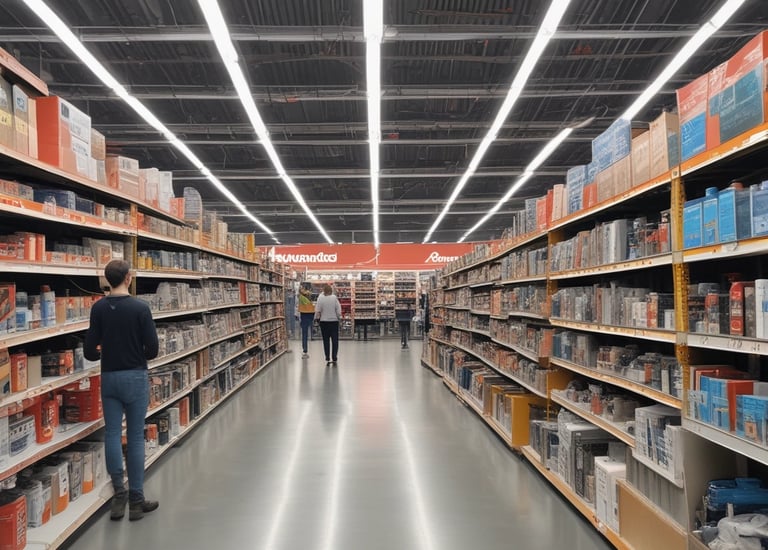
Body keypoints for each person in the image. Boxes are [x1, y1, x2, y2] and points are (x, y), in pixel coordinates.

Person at [84, 260, 160, 522]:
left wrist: (106, 352)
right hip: (135, 376)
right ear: (128, 278)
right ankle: (136, 501)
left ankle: (119, 495)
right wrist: (136, 353)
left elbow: (89, 351)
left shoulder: (98, 308)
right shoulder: (140, 308)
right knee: (136, 436)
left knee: (113, 434)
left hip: (109, 378)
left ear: (107, 280)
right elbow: (153, 349)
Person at [314, 283, 342, 366]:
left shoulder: (320, 298)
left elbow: (317, 310)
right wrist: (339, 317)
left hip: (324, 322)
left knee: (326, 340)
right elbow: (338, 310)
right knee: (335, 340)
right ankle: (334, 357)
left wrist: (317, 318)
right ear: (331, 291)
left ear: (324, 291)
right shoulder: (334, 298)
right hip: (334, 322)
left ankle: (327, 356)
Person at [296, 286, 315, 358]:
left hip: (304, 317)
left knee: (305, 334)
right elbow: (310, 305)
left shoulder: (302, 297)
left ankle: (305, 350)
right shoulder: (302, 297)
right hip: (308, 316)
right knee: (305, 334)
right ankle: (305, 350)